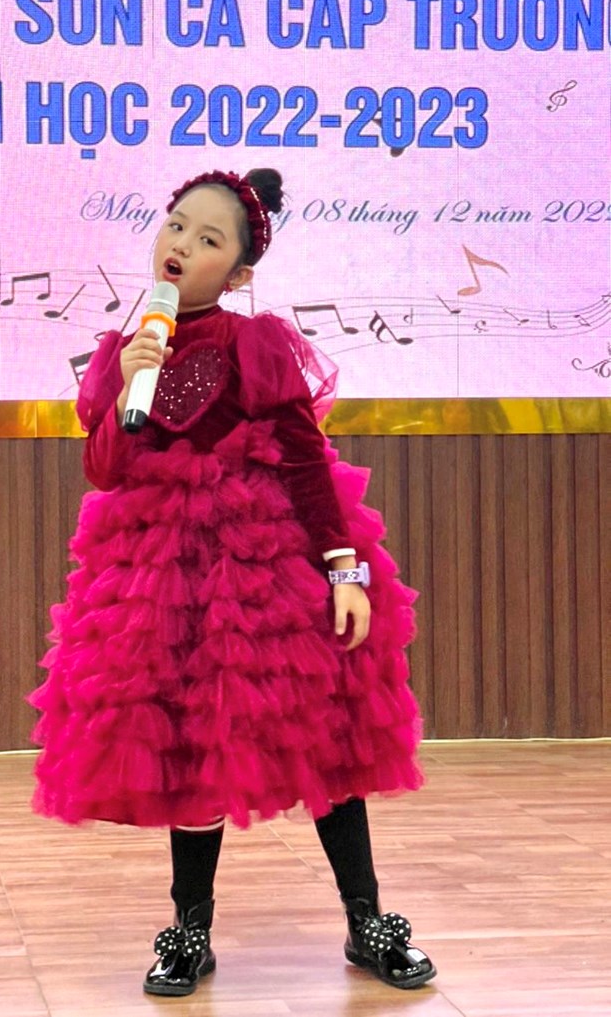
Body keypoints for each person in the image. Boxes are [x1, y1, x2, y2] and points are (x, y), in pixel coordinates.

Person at [29, 167, 436, 995]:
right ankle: (190, 927)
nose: (181, 243)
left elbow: (307, 461)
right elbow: (105, 468)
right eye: (177, 224)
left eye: (208, 238)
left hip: (260, 570)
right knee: (184, 746)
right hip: (160, 577)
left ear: (240, 271)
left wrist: (344, 569)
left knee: (323, 737)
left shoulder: (255, 342)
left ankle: (366, 918)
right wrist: (128, 380)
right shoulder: (121, 352)